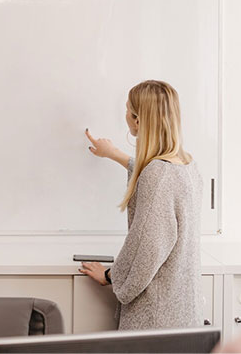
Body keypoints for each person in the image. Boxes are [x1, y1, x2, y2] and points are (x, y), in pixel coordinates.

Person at [79, 80, 203, 330]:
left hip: (156, 318)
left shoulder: (157, 175)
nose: (124, 115)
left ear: (137, 120)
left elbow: (146, 250)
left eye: (127, 109)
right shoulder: (187, 166)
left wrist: (109, 275)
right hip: (183, 311)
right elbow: (156, 177)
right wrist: (114, 154)